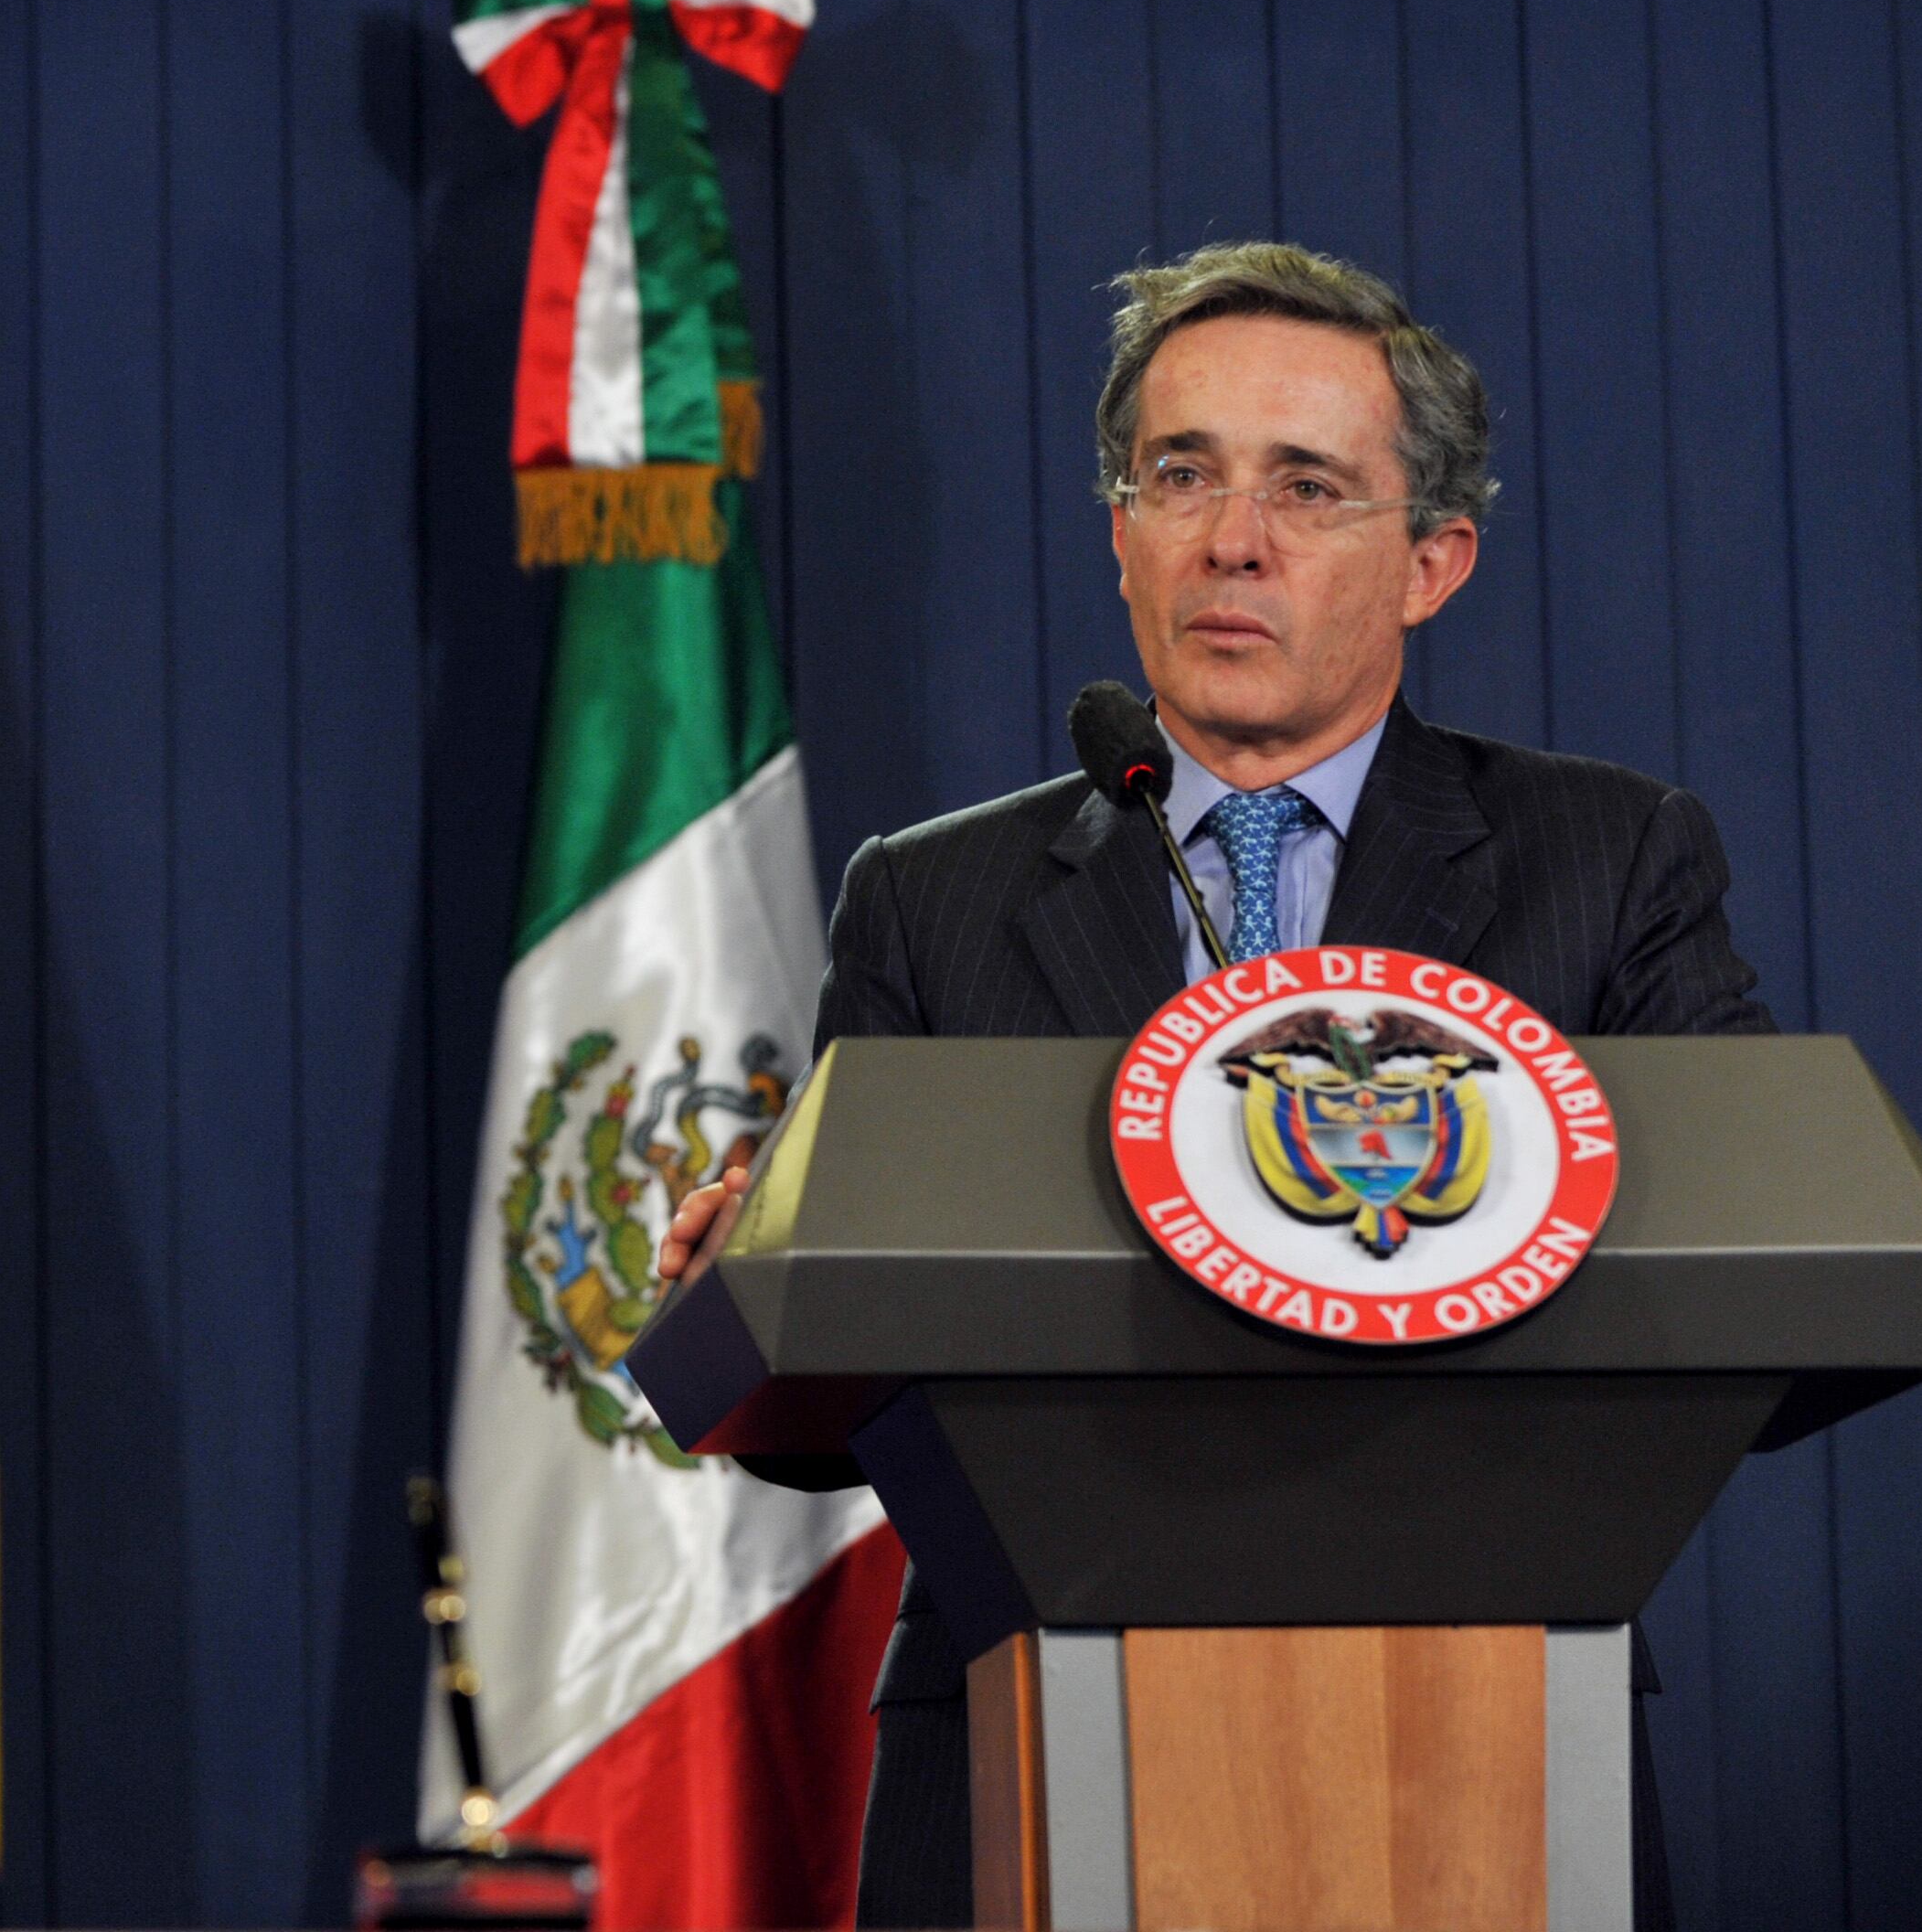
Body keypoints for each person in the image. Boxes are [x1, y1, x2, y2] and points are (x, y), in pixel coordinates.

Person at [657, 240, 1761, 1932]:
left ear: (1434, 561)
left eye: (1307, 488)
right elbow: (851, 1410)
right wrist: (762, 1291)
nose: (1230, 539)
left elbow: (1752, 1232)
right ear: (1121, 532)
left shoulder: (1604, 862)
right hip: (1021, 1739)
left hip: (1477, 1733)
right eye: (1181, 476)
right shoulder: (931, 899)